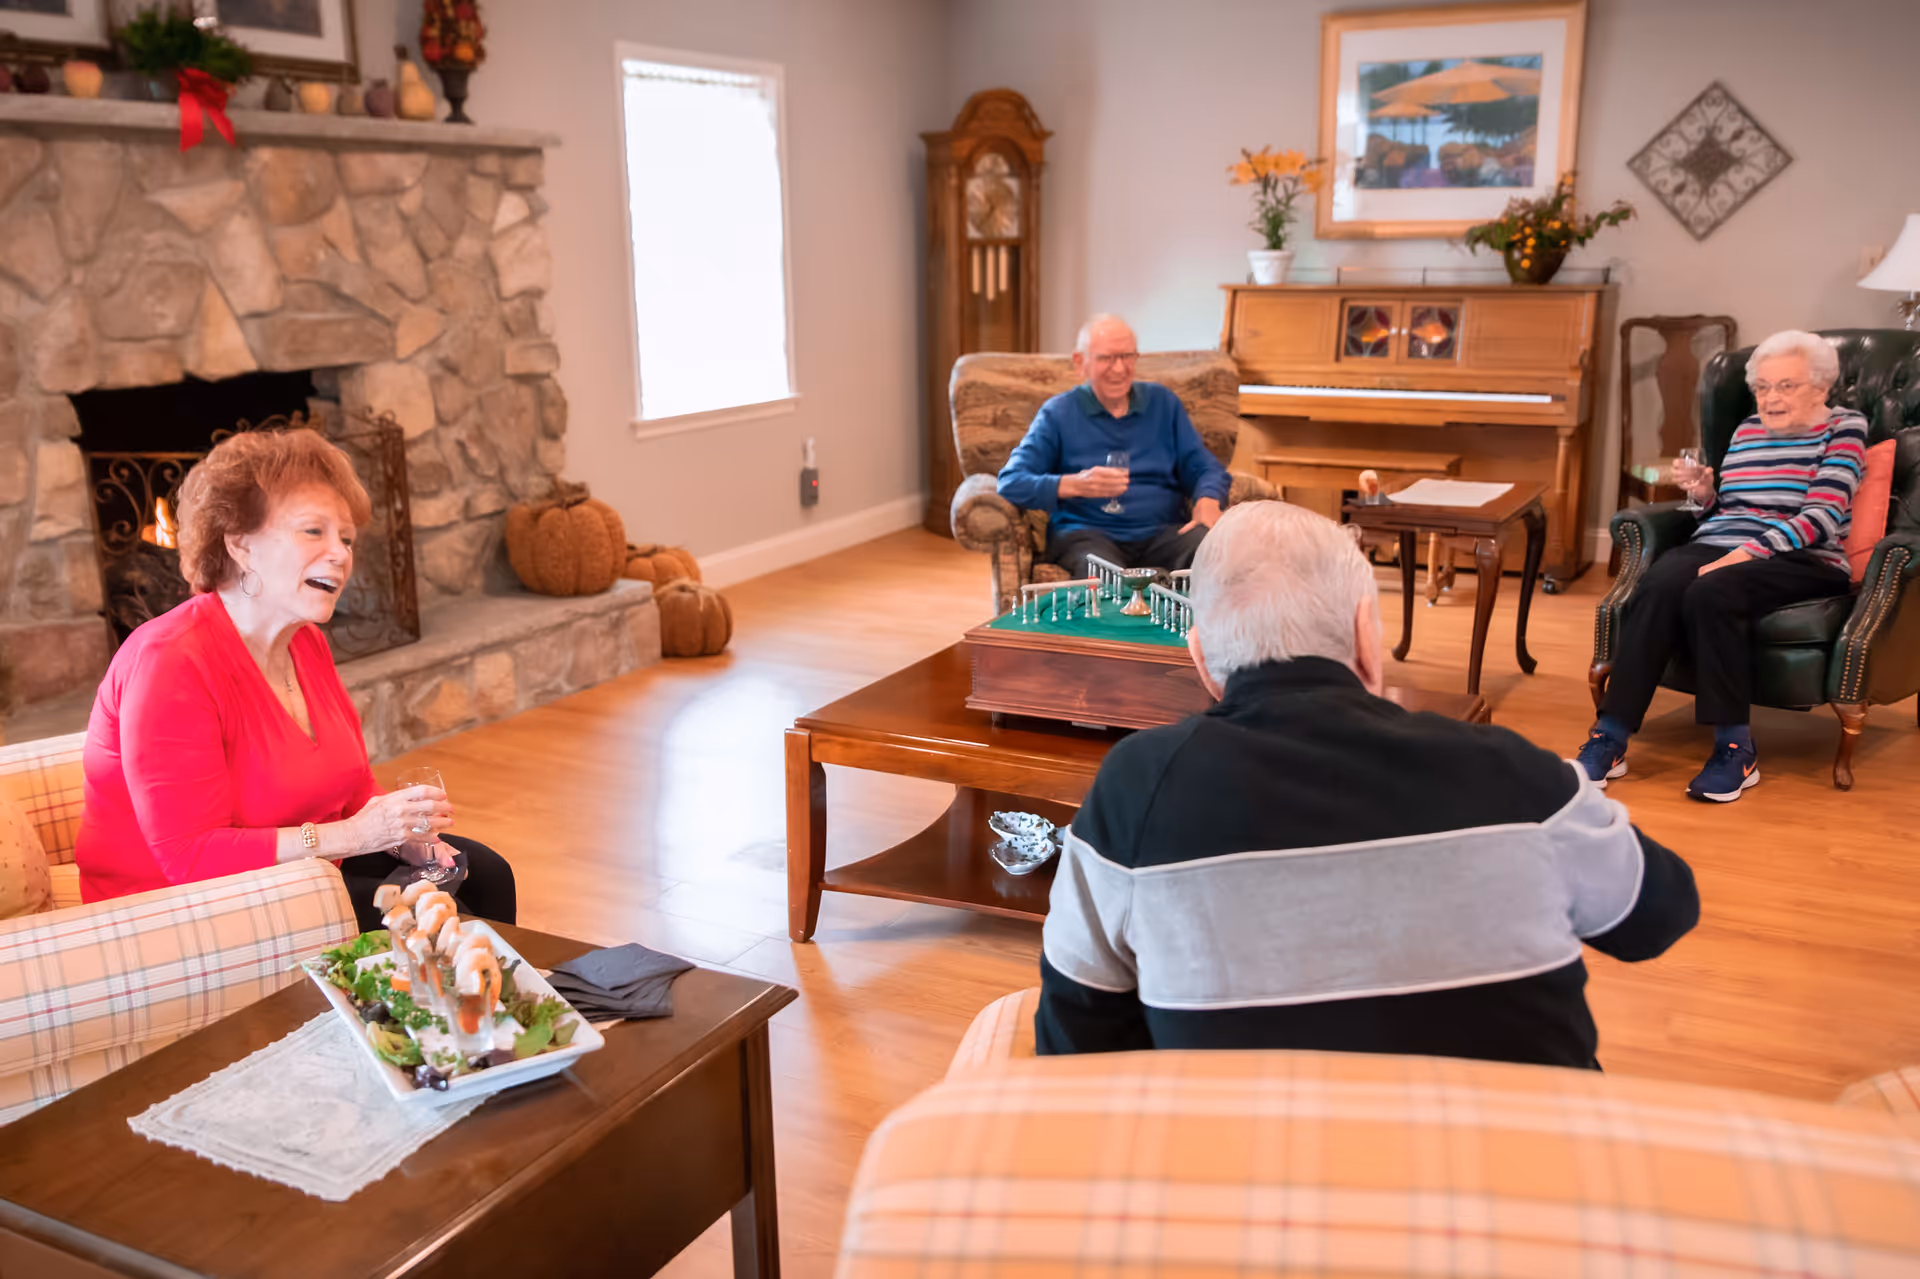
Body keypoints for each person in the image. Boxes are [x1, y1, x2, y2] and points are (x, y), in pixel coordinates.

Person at [1036, 501, 1698, 1068]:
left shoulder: (1134, 786)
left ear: (1202, 658)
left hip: (1247, 1191)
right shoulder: (1521, 776)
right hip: (1517, 1192)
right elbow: (1660, 914)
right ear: (1365, 633)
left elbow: (1076, 1036)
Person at [75, 428, 516, 932]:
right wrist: (353, 837)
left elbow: (352, 789)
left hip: (296, 872)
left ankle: (496, 1009)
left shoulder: (304, 642)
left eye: (345, 538)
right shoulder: (170, 662)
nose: (340, 553)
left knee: (485, 875)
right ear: (240, 545)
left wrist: (402, 836)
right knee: (433, 916)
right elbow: (188, 856)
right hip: (177, 906)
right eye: (314, 532)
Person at [1577, 330, 1868, 803]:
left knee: (1713, 590)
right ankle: (1609, 736)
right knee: (1659, 582)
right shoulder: (1748, 430)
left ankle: (1735, 747)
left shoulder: (1844, 428)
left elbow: (1822, 517)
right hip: (1723, 546)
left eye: (1786, 386)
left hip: (1804, 556)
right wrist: (1702, 495)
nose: (1771, 398)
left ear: (1820, 386)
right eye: (1763, 387)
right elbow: (1727, 511)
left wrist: (1743, 554)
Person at [996, 314, 1230, 579]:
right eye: (1106, 358)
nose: (1119, 369)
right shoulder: (1058, 413)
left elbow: (1205, 466)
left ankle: (1191, 622)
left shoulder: (1163, 404)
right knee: (1103, 574)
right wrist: (1074, 484)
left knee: (1214, 553)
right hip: (1087, 535)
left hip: (1163, 532)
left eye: (1127, 356)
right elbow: (1010, 482)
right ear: (1080, 363)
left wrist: (1208, 499)